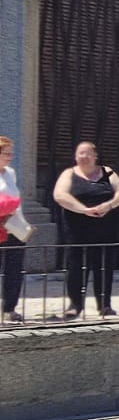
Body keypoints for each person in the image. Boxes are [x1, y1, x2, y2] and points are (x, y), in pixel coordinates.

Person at [52, 141, 119, 319]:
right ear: (75, 156)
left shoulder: (107, 171)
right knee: (76, 266)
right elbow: (60, 195)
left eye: (87, 153)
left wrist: (108, 205)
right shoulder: (69, 173)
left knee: (104, 266)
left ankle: (105, 305)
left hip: (106, 227)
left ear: (95, 156)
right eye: (80, 153)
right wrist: (83, 209)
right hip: (77, 228)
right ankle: (75, 305)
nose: (84, 157)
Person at [0, 138, 29, 323]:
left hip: (14, 226)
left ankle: (9, 308)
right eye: (7, 153)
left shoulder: (10, 173)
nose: (10, 157)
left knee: (14, 269)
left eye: (11, 153)